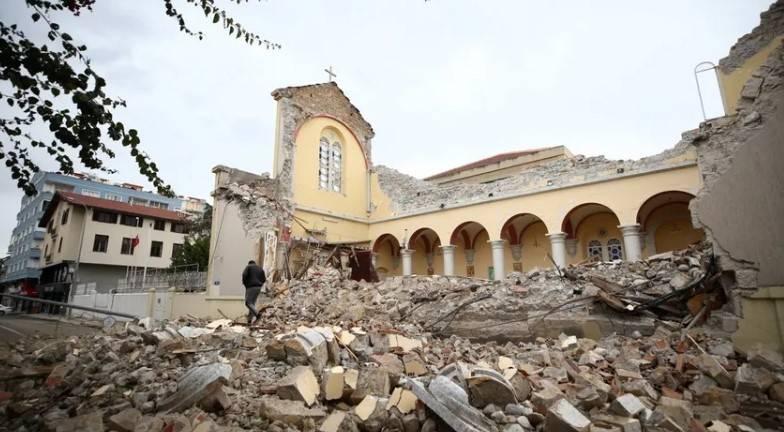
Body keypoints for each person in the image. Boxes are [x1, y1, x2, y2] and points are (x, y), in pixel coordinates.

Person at [242, 260, 266, 325]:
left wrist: (245, 284)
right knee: (252, 304)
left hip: (250, 287)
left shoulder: (248, 267)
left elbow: (244, 275)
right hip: (258, 288)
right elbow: (264, 279)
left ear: (249, 263)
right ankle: (249, 321)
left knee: (248, 303)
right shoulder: (260, 268)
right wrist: (260, 284)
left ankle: (258, 314)